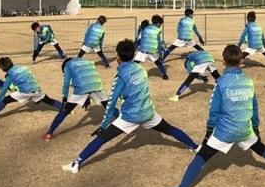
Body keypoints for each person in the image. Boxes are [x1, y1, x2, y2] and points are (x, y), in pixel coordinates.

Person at [166, 45, 265, 187]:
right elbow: (254, 108)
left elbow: (214, 110)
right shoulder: (248, 81)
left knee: (201, 156)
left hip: (224, 131)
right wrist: (255, 126)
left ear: (224, 61)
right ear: (241, 60)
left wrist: (209, 131)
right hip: (245, 128)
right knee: (260, 148)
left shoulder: (221, 82)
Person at [61, 39, 198, 173]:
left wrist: (103, 126)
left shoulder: (120, 76)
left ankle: (76, 163)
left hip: (129, 117)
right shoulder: (141, 69)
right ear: (133, 54)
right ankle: (195, 146)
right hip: (148, 112)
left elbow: (111, 102)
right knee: (170, 129)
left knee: (102, 139)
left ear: (118, 56)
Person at [42, 57, 108, 141]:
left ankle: (49, 133)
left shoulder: (68, 65)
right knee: (110, 107)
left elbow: (66, 83)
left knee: (64, 111)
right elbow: (90, 77)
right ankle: (125, 124)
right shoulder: (88, 61)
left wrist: (64, 99)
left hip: (82, 89)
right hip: (96, 85)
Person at [0, 57, 63, 121]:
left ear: (3, 69)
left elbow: (3, 91)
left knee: (5, 100)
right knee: (49, 100)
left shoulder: (9, 75)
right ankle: (65, 109)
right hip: (36, 90)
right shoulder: (24, 67)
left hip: (25, 92)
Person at [135, 14, 169, 80]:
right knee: (158, 63)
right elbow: (158, 43)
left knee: (136, 62)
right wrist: (159, 53)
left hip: (143, 50)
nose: (160, 26)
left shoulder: (145, 28)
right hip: (152, 51)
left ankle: (131, 73)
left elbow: (141, 39)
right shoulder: (157, 30)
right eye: (160, 24)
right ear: (158, 23)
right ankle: (165, 75)